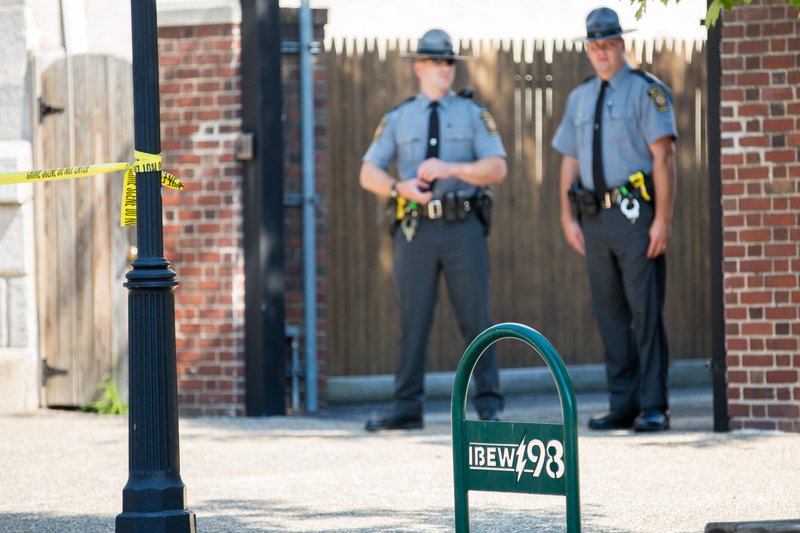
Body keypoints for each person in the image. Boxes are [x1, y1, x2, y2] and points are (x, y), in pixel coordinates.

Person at [359, 29, 507, 431]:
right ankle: (407, 406)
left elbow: (497, 167)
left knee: (477, 316)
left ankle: (489, 405)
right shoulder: (399, 116)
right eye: (436, 62)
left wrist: (452, 167)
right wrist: (397, 187)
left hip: (463, 226)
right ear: (418, 66)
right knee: (412, 320)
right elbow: (367, 171)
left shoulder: (474, 114)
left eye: (449, 62)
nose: (445, 69)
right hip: (415, 231)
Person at [551, 7, 678, 432]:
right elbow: (569, 159)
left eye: (609, 43)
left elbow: (664, 157)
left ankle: (654, 406)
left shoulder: (647, 92)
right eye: (595, 45)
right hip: (594, 219)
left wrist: (662, 218)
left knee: (645, 312)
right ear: (588, 49)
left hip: (635, 216)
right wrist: (567, 216)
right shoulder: (579, 97)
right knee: (610, 314)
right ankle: (623, 404)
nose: (602, 52)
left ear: (622, 44)